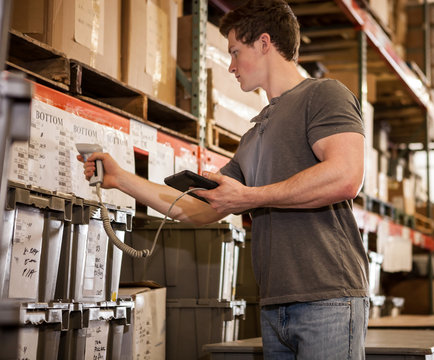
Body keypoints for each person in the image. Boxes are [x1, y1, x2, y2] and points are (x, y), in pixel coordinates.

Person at [80, 0, 369, 358]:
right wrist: (121, 179)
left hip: (328, 297)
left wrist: (250, 197)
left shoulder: (323, 95)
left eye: (235, 51)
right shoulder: (254, 135)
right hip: (275, 305)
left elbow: (346, 176)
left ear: (264, 43)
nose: (230, 65)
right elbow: (197, 209)